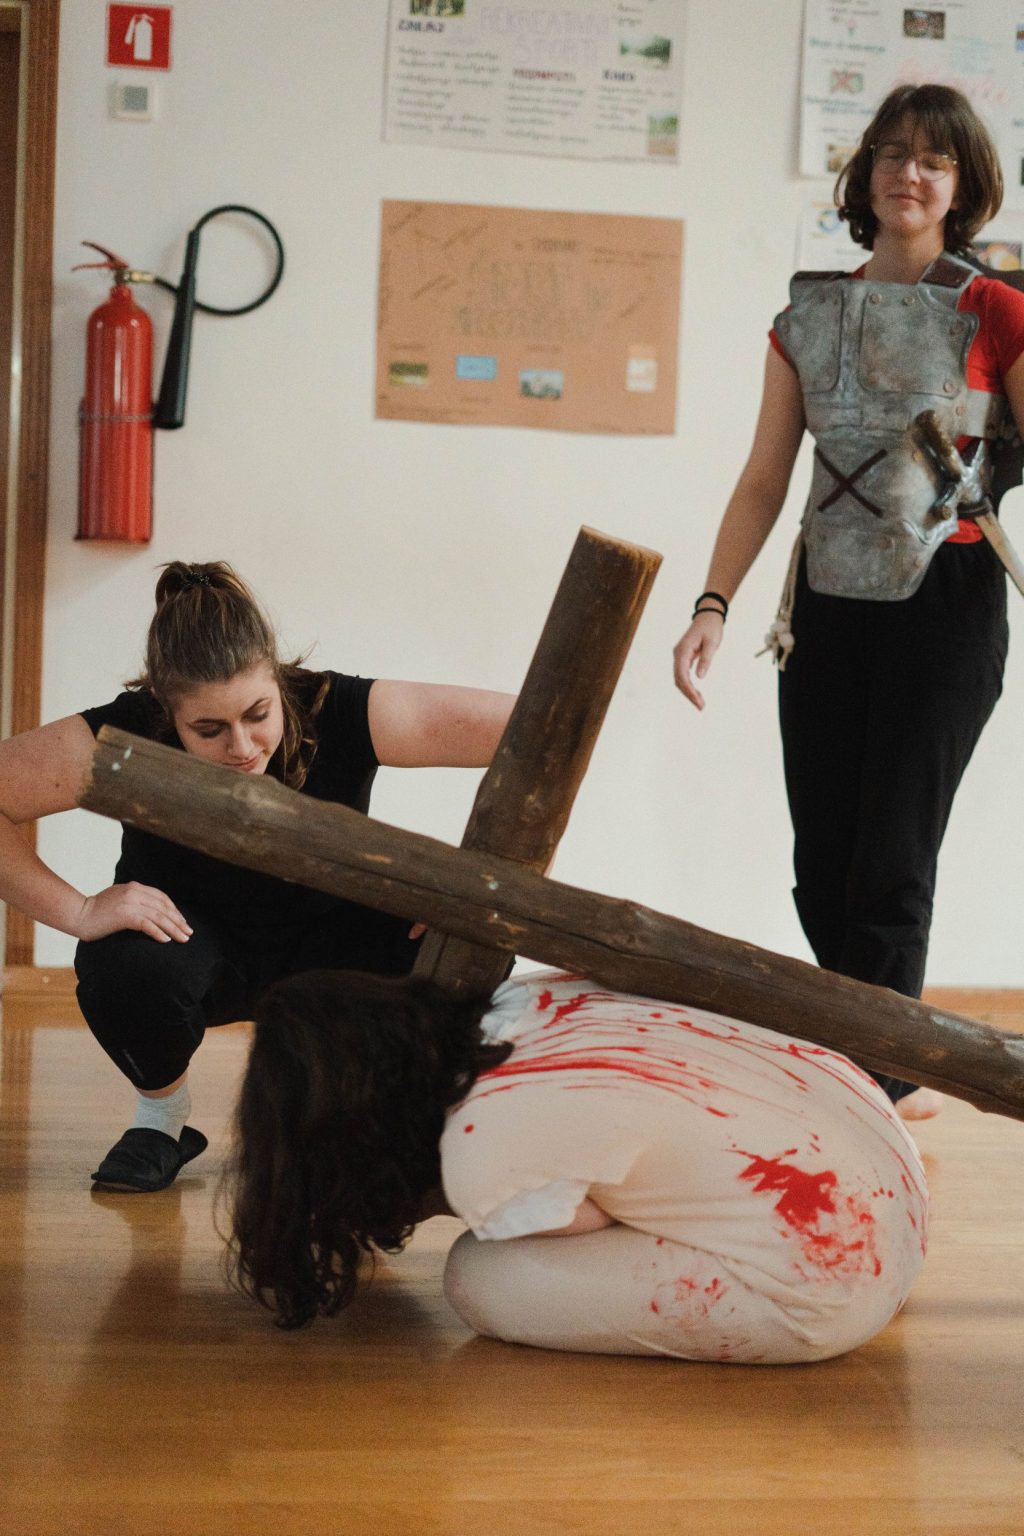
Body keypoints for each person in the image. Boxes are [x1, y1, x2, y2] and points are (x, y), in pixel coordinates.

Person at [672, 85, 1024, 1120]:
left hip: (946, 603)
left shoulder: (999, 311)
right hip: (825, 607)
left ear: (961, 187)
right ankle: (869, 1058)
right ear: (865, 173)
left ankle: (873, 1085)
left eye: (934, 161)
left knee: (891, 862)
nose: (909, 173)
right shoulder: (805, 317)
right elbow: (762, 479)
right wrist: (711, 603)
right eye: (892, 153)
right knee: (821, 862)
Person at [0, 561, 514, 1191]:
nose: (242, 746)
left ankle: (378, 1115)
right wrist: (78, 911)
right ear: (165, 709)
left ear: (278, 680)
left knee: (471, 937)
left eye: (258, 714)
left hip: (332, 940)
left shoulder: (335, 706)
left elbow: (534, 732)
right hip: (191, 944)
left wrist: (455, 882)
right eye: (208, 729)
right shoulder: (125, 728)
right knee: (124, 974)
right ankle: (162, 1119)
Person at [227, 966, 928, 1364]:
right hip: (886, 1164)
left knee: (478, 1276)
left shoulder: (481, 1148)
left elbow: (589, 1223)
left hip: (839, 1282)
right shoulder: (522, 997)